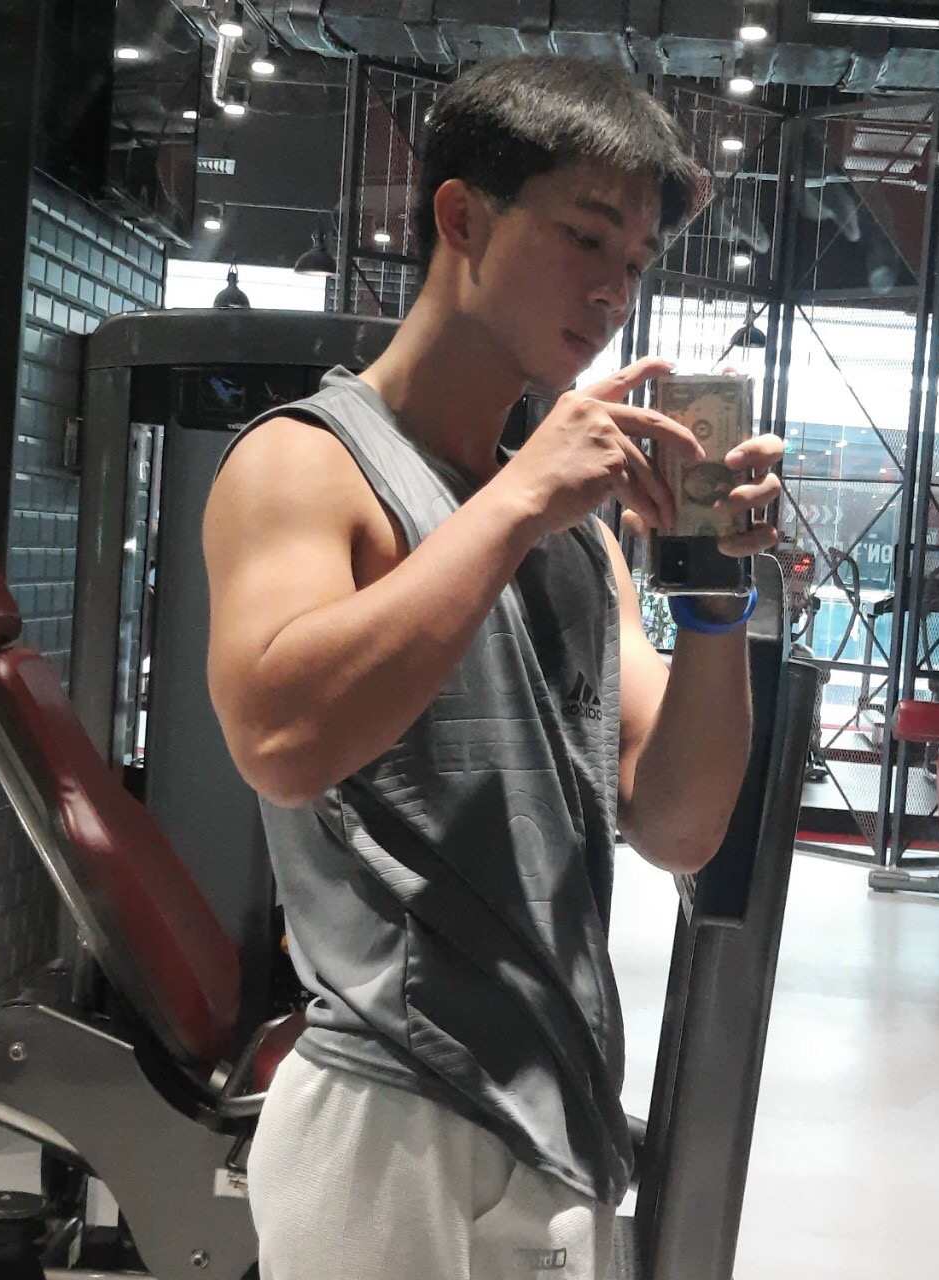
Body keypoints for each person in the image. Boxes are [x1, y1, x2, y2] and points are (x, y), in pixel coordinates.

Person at [202, 54, 783, 1280]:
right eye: (585, 237)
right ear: (462, 218)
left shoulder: (576, 533)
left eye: (635, 262)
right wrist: (516, 499)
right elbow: (280, 740)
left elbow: (677, 823)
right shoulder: (305, 461)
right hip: (388, 1104)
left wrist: (715, 596)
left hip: (559, 1105)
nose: (612, 289)